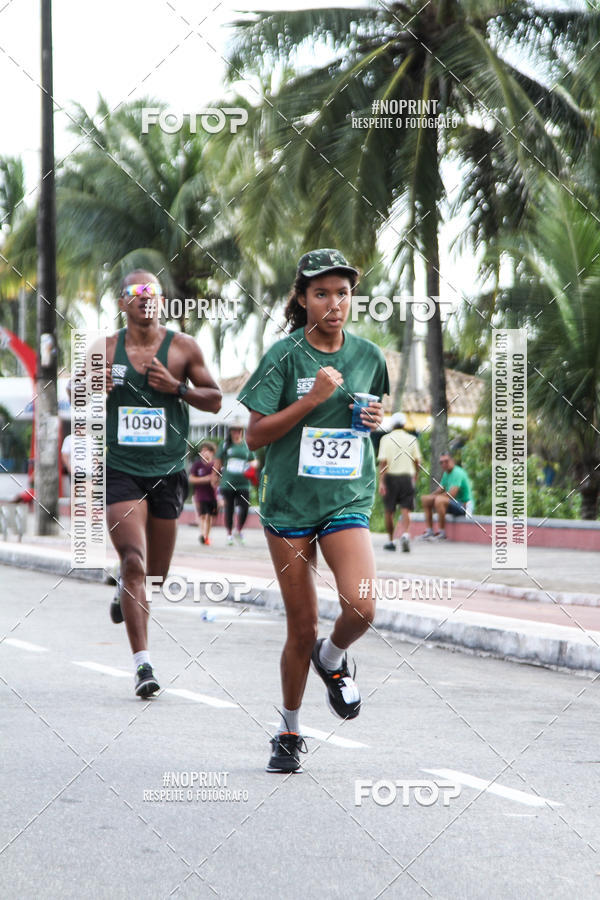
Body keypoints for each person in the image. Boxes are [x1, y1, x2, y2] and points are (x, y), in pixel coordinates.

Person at [238, 248, 389, 773]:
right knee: (300, 627)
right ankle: (288, 729)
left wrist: (374, 419)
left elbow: (374, 418)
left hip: (346, 498)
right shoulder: (282, 356)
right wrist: (310, 399)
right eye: (321, 292)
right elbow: (254, 435)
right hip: (289, 506)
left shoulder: (370, 355)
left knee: (364, 606)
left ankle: (332, 659)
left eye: (342, 292)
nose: (333, 303)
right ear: (301, 298)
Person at [105, 269, 221, 698]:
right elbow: (75, 392)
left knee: (154, 576)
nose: (145, 298)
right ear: (122, 302)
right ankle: (143, 665)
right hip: (121, 468)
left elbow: (215, 398)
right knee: (134, 561)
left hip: (169, 471)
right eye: (136, 292)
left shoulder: (183, 348)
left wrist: (178, 388)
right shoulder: (106, 349)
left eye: (152, 292)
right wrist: (90, 386)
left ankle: (125, 592)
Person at [377, 412, 420, 552]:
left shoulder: (385, 439)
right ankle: (406, 535)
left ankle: (391, 541)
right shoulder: (412, 439)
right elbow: (417, 461)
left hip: (390, 477)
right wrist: (415, 476)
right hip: (407, 477)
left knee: (389, 511)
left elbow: (383, 462)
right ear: (404, 424)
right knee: (406, 509)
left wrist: (381, 482)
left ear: (392, 424)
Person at [214, 421, 254, 546]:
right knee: (229, 509)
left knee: (245, 507)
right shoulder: (225, 445)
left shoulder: (246, 445)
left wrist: (253, 466)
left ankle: (239, 529)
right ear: (230, 432)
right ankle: (229, 533)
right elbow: (218, 462)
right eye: (234, 430)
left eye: (238, 430)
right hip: (228, 483)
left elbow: (253, 460)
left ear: (242, 431)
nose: (236, 432)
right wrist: (215, 476)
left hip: (243, 483)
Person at [420, 450, 473, 540]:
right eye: (441, 462)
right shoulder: (446, 473)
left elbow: (452, 494)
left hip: (463, 506)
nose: (444, 464)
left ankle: (442, 533)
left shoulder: (457, 473)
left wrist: (435, 498)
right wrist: (430, 498)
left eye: (446, 461)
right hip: (452, 504)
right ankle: (429, 531)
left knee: (439, 500)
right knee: (426, 499)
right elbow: (440, 489)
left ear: (452, 461)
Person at [189, 441, 218, 545]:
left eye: (207, 451)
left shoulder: (215, 465)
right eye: (202, 450)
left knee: (210, 516)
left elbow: (219, 480)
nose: (204, 453)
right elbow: (191, 478)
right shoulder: (197, 465)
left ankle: (207, 536)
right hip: (200, 495)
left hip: (212, 495)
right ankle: (202, 534)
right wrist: (205, 479)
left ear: (212, 452)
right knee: (203, 516)